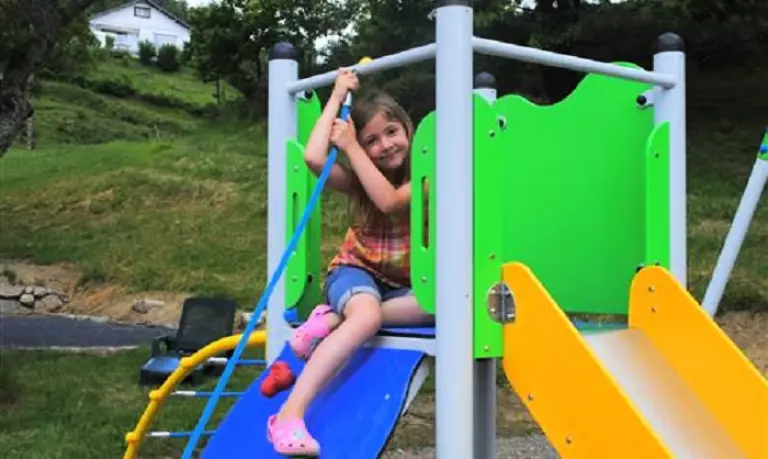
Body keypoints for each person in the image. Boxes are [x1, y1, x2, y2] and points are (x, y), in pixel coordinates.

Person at [266, 68, 435, 456]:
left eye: (391, 132)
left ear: (407, 129)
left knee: (442, 303)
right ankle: (288, 415)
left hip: (403, 287)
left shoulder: (428, 178)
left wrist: (353, 147)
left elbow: (389, 201)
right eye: (371, 140)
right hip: (355, 272)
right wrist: (337, 94)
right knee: (367, 316)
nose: (386, 145)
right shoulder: (359, 180)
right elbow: (313, 157)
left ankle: (331, 320)